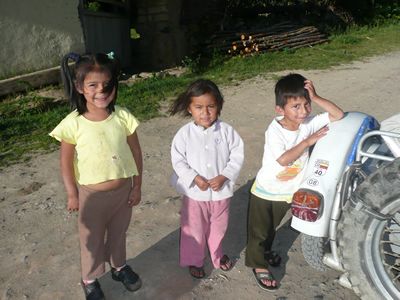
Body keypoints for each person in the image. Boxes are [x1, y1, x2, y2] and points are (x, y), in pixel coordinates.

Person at [49, 52, 143, 300]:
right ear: (80, 87)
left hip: (123, 193)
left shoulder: (123, 117)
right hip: (92, 197)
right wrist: (72, 193)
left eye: (107, 84)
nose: (101, 90)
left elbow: (135, 151)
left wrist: (137, 186)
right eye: (93, 85)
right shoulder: (73, 123)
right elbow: (66, 161)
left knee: (118, 234)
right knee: (91, 240)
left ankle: (119, 266)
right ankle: (89, 279)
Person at [246, 73, 344, 291]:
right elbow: (283, 159)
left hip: (288, 191)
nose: (303, 111)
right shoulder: (275, 130)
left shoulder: (308, 122)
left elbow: (337, 114)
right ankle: (258, 264)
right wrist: (308, 141)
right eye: (296, 106)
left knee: (271, 229)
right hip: (266, 190)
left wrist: (316, 97)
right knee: (259, 231)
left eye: (306, 104)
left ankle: (265, 252)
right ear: (280, 109)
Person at [170, 79, 244, 279]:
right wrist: (193, 178)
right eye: (199, 107)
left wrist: (225, 176)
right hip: (195, 195)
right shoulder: (184, 134)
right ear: (190, 108)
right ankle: (194, 259)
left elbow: (237, 155)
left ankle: (217, 255)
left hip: (222, 192)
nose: (205, 113)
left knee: (219, 227)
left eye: (211, 106)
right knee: (194, 228)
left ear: (218, 106)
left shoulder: (227, 131)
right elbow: (178, 160)